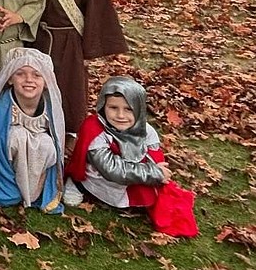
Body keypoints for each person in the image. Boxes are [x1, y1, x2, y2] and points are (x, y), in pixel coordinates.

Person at [24, 0, 129, 140]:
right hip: (38, 38)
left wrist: (89, 45)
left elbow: (97, 9)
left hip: (69, 41)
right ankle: (32, 125)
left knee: (68, 86)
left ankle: (68, 133)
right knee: (32, 83)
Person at [65, 77, 197, 237]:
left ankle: (128, 196)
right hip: (98, 176)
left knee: (153, 195)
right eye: (113, 107)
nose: (120, 115)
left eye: (128, 109)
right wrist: (153, 173)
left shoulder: (146, 131)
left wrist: (158, 171)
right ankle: (77, 184)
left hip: (130, 175)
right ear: (102, 106)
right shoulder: (94, 130)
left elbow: (155, 158)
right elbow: (111, 169)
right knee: (90, 179)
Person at [0, 47, 67, 213]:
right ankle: (10, 188)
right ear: (10, 79)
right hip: (7, 160)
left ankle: (36, 190)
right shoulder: (1, 108)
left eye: (37, 75)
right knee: (17, 136)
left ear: (47, 81)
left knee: (46, 143)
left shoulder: (50, 107)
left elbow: (57, 142)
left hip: (38, 159)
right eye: (20, 73)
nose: (29, 80)